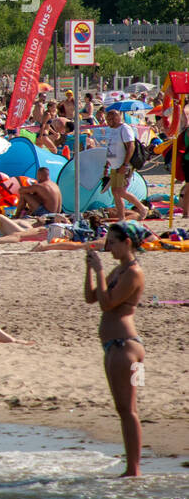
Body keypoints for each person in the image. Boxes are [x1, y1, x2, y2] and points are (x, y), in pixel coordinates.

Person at [85, 221, 147, 477]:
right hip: (115, 347)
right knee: (125, 409)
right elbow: (91, 297)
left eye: (112, 241)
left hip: (126, 348)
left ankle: (134, 469)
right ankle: (132, 467)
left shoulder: (133, 273)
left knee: (128, 410)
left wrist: (100, 272)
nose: (108, 246)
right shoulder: (118, 270)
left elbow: (107, 304)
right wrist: (91, 269)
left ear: (127, 243)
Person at [102, 107, 149, 220]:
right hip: (114, 165)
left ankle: (142, 208)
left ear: (118, 117)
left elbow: (130, 146)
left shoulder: (125, 129)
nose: (109, 121)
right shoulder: (113, 130)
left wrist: (125, 164)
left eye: (112, 119)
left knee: (120, 191)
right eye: (108, 119)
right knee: (115, 192)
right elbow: (111, 148)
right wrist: (107, 164)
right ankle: (121, 217)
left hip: (123, 165)